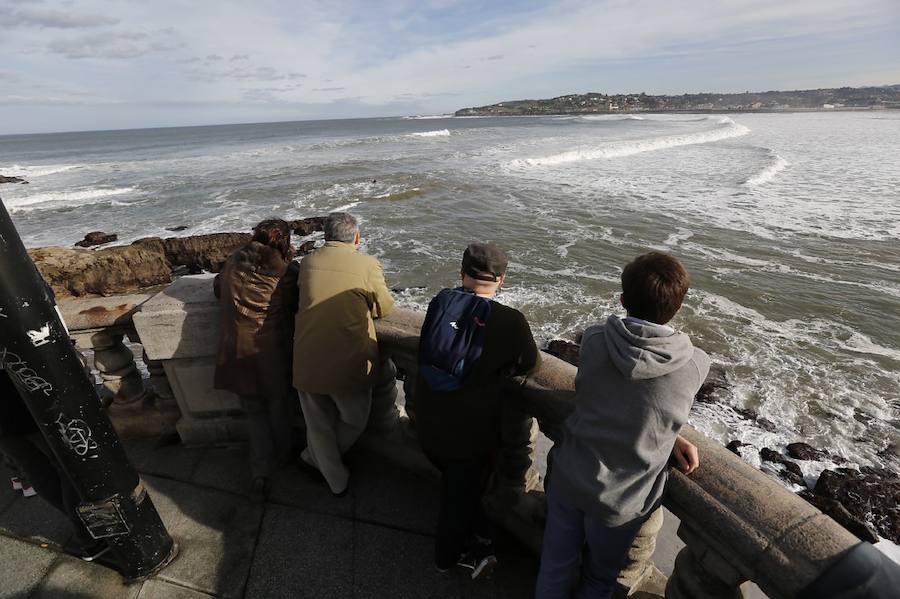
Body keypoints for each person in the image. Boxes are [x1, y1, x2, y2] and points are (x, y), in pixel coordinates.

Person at [535, 251, 710, 599]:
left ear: (623, 299)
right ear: (678, 307)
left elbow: (608, 394)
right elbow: (656, 403)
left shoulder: (596, 340)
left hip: (570, 476)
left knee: (555, 564)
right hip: (623, 501)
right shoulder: (695, 364)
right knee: (599, 579)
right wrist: (673, 435)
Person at [416, 242, 540, 579]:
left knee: (457, 486)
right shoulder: (510, 321)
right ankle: (448, 556)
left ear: (462, 273)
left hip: (425, 418)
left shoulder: (441, 301)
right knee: (460, 496)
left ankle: (479, 536)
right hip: (469, 435)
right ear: (501, 280)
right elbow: (531, 363)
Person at [292, 212, 394, 496]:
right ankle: (334, 478)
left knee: (318, 424)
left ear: (325, 236)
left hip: (306, 356)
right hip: (347, 361)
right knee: (355, 417)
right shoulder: (367, 264)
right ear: (357, 238)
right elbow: (384, 307)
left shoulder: (307, 262)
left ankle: (314, 460)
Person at [213, 219, 300, 503]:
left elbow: (217, 289)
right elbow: (297, 299)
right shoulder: (285, 272)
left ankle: (259, 471)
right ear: (283, 243)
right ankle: (285, 457)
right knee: (278, 408)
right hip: (269, 352)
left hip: (236, 351)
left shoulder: (232, 264)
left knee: (253, 414)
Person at [0, 370, 108, 560]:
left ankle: (86, 529)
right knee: (67, 465)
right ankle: (90, 537)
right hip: (19, 396)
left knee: (35, 468)